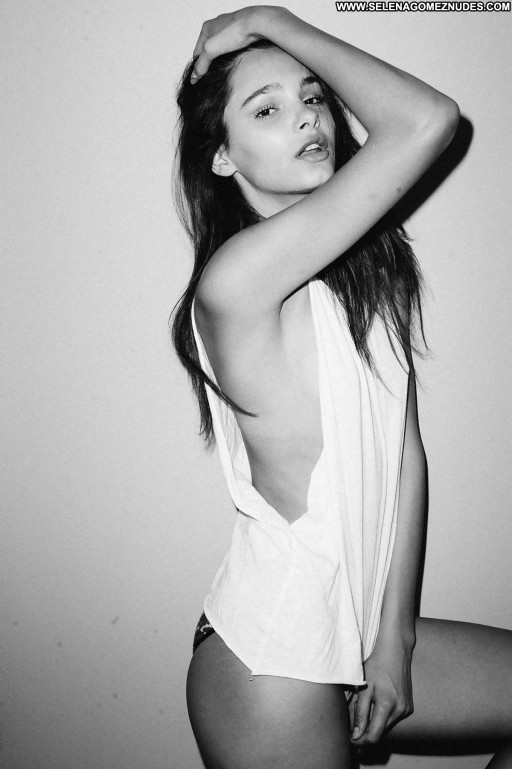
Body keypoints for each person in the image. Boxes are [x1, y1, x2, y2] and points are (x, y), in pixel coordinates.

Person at [172, 7, 512, 768]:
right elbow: (427, 119)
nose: (306, 117)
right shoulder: (235, 283)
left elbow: (404, 456)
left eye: (313, 96)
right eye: (266, 110)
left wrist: (395, 639)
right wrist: (268, 18)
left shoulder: (363, 281)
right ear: (221, 156)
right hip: (270, 652)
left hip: (357, 629)